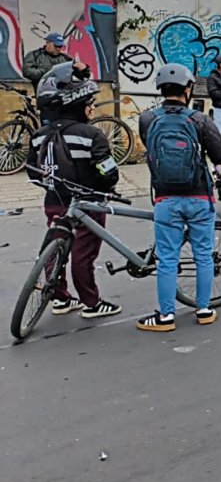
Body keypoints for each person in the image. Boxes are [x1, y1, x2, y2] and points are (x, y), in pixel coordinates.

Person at [136, 63, 221, 332]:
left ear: (161, 89)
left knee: (167, 258)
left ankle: (165, 317)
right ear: (188, 89)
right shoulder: (199, 120)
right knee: (203, 255)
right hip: (199, 195)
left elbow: (151, 148)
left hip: (165, 197)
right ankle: (204, 310)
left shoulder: (148, 119)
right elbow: (220, 155)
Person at [26, 76, 123, 320]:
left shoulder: (38, 135)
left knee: (53, 250)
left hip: (54, 202)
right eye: (90, 103)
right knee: (83, 255)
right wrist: (106, 184)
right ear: (78, 106)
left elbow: (32, 171)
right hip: (88, 204)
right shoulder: (92, 135)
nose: (92, 107)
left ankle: (60, 298)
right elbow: (108, 173)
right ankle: (91, 303)